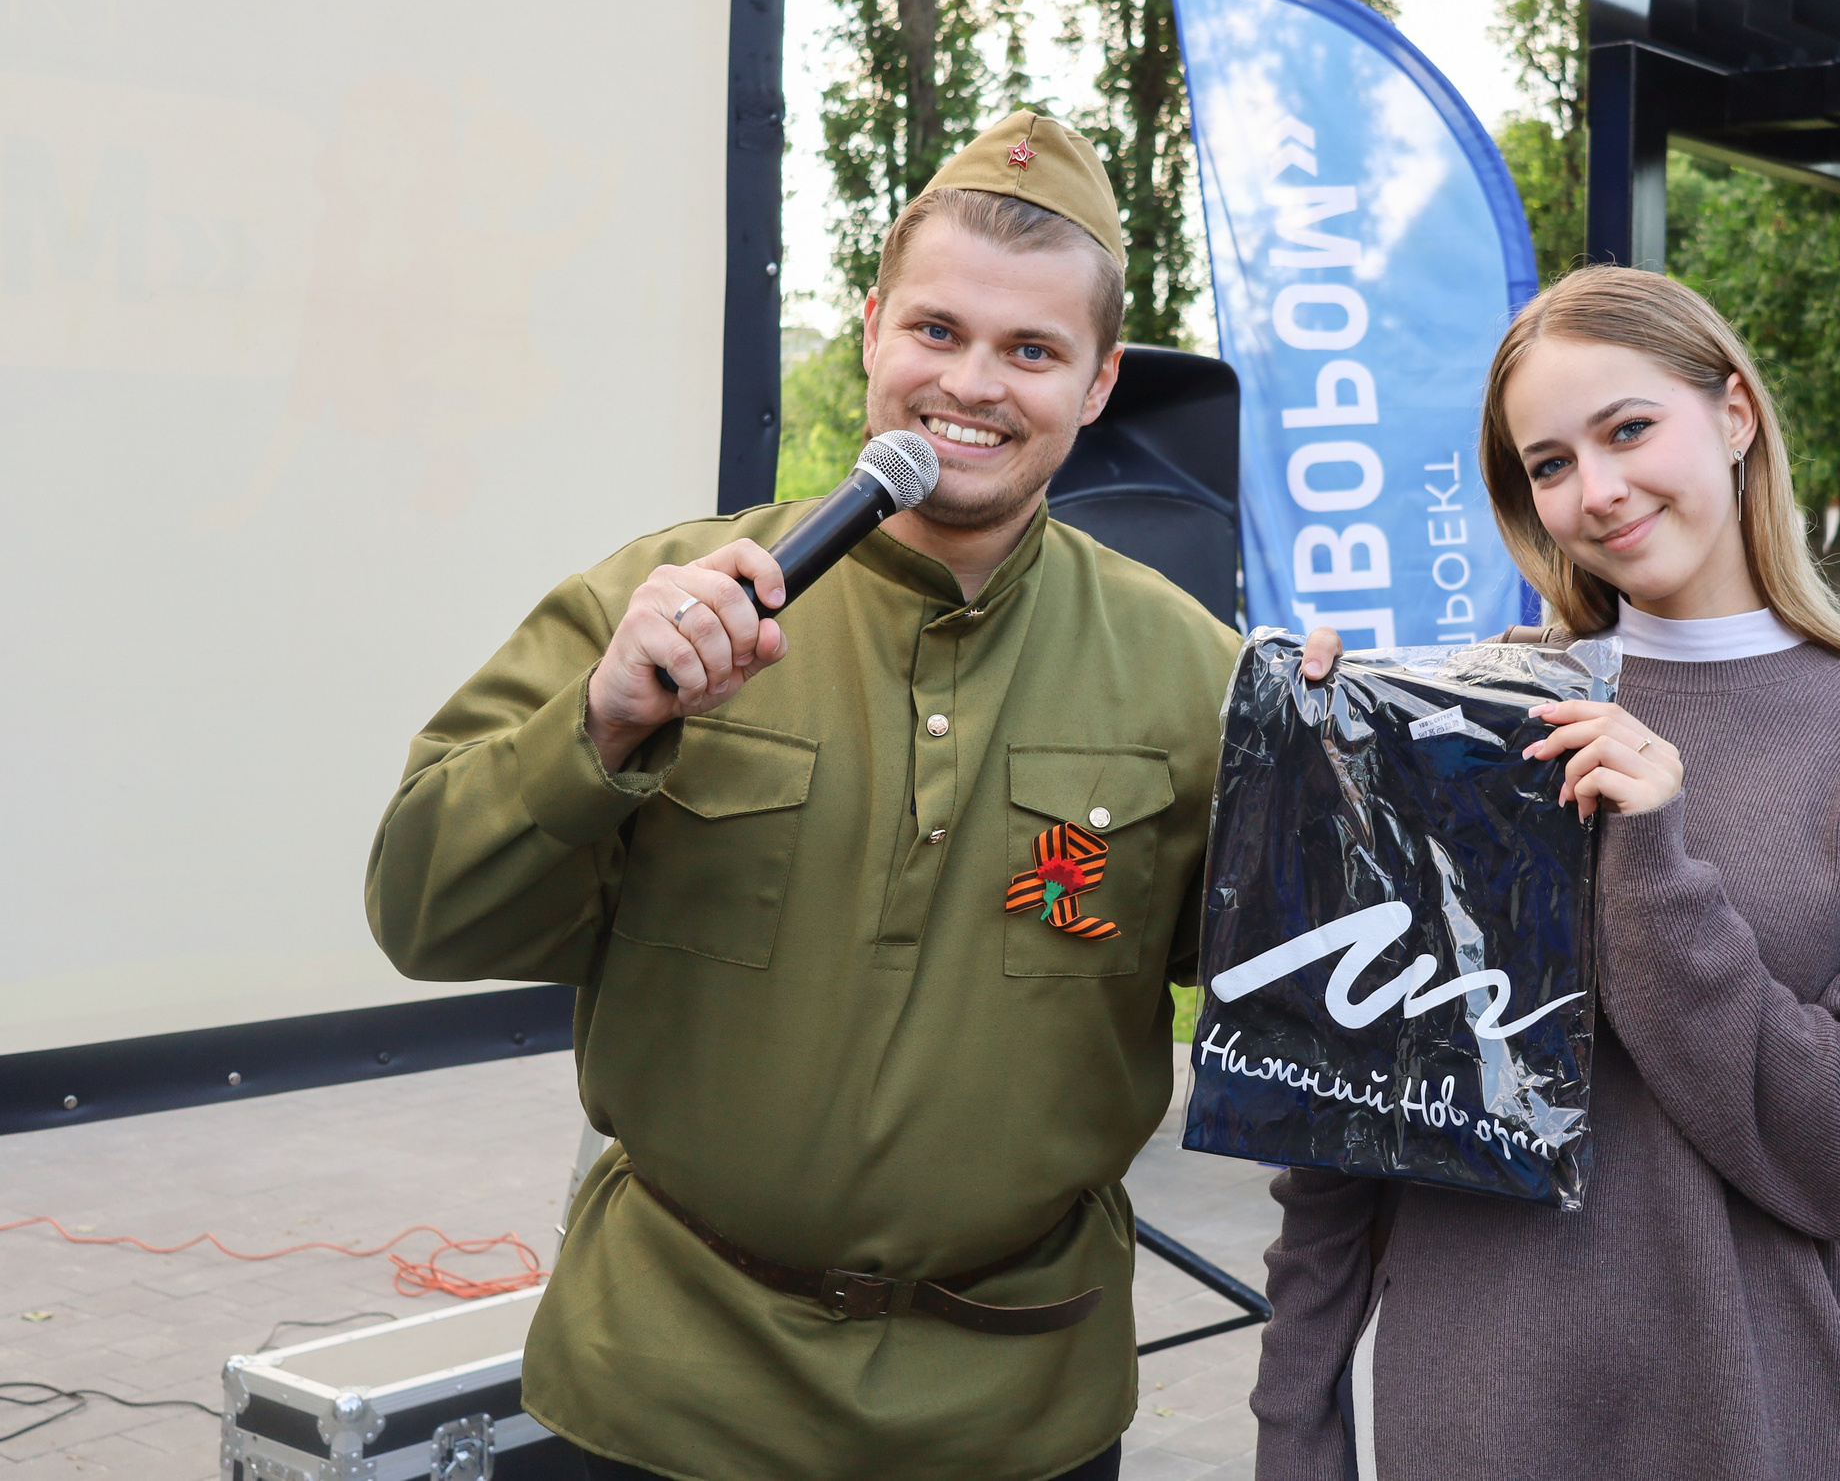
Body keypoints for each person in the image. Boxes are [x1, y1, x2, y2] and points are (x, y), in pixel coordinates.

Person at [367, 111, 1318, 1481]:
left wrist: (1372, 772)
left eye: (1032, 350)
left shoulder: (1193, 670)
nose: (972, 385)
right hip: (665, 1396)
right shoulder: (667, 603)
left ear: (1100, 381)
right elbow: (418, 908)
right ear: (872, 327)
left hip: (1015, 1411)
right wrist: (605, 719)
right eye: (937, 330)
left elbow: (1299, 998)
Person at [1249, 265, 1840, 1479]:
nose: (1595, 492)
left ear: (1736, 413)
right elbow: (1347, 1127)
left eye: (1628, 429)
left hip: (1761, 1421)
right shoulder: (1455, 719)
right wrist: (1296, 1423)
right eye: (1547, 464)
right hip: (1476, 1418)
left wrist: (1654, 864)